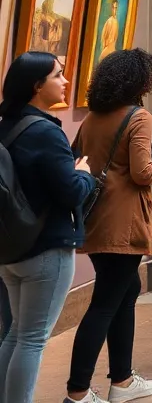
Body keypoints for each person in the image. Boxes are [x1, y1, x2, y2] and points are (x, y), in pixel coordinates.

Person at [67, 49, 152, 403]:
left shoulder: (92, 118)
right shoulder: (139, 117)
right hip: (124, 221)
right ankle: (78, 392)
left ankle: (123, 381)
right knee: (105, 303)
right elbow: (142, 172)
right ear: (140, 81)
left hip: (95, 219)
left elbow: (77, 159)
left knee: (125, 293)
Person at [0, 53, 95, 403]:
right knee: (32, 338)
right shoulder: (45, 131)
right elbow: (71, 193)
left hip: (11, 246)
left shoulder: (6, 125)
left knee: (14, 334)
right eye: (58, 75)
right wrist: (83, 174)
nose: (66, 81)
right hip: (46, 247)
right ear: (37, 86)